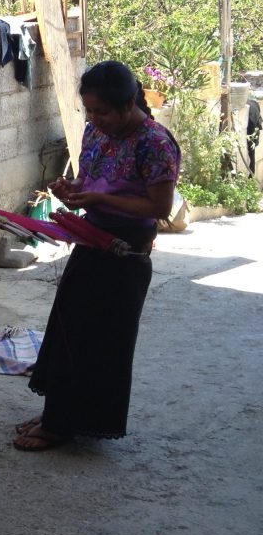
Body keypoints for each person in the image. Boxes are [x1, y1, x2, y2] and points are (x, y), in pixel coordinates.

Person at [14, 61, 181, 451]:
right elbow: (87, 181)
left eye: (102, 111)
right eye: (88, 110)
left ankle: (61, 425)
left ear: (128, 105)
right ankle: (57, 414)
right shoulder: (95, 133)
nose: (94, 118)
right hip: (91, 240)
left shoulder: (154, 143)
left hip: (124, 254)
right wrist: (70, 189)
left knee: (101, 342)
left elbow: (159, 206)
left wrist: (98, 198)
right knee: (69, 332)